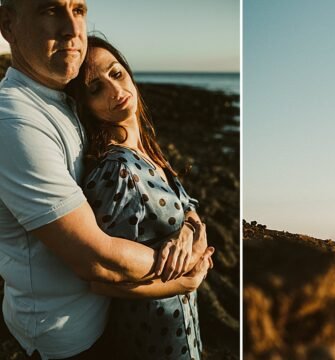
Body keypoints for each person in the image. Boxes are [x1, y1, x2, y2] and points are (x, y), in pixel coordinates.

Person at [0, 1, 209, 358]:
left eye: (78, 9)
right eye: (50, 9)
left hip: (105, 323)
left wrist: (190, 229)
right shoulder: (15, 120)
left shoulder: (64, 102)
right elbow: (95, 260)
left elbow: (176, 198)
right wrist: (188, 269)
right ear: (7, 25)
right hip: (65, 338)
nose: (71, 28)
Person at [65, 36, 213, 359]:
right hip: (151, 340)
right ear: (85, 106)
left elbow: (188, 206)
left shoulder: (149, 153)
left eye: (116, 74)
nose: (115, 91)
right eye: (95, 89)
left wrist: (188, 232)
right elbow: (103, 278)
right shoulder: (116, 171)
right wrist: (187, 282)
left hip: (185, 331)